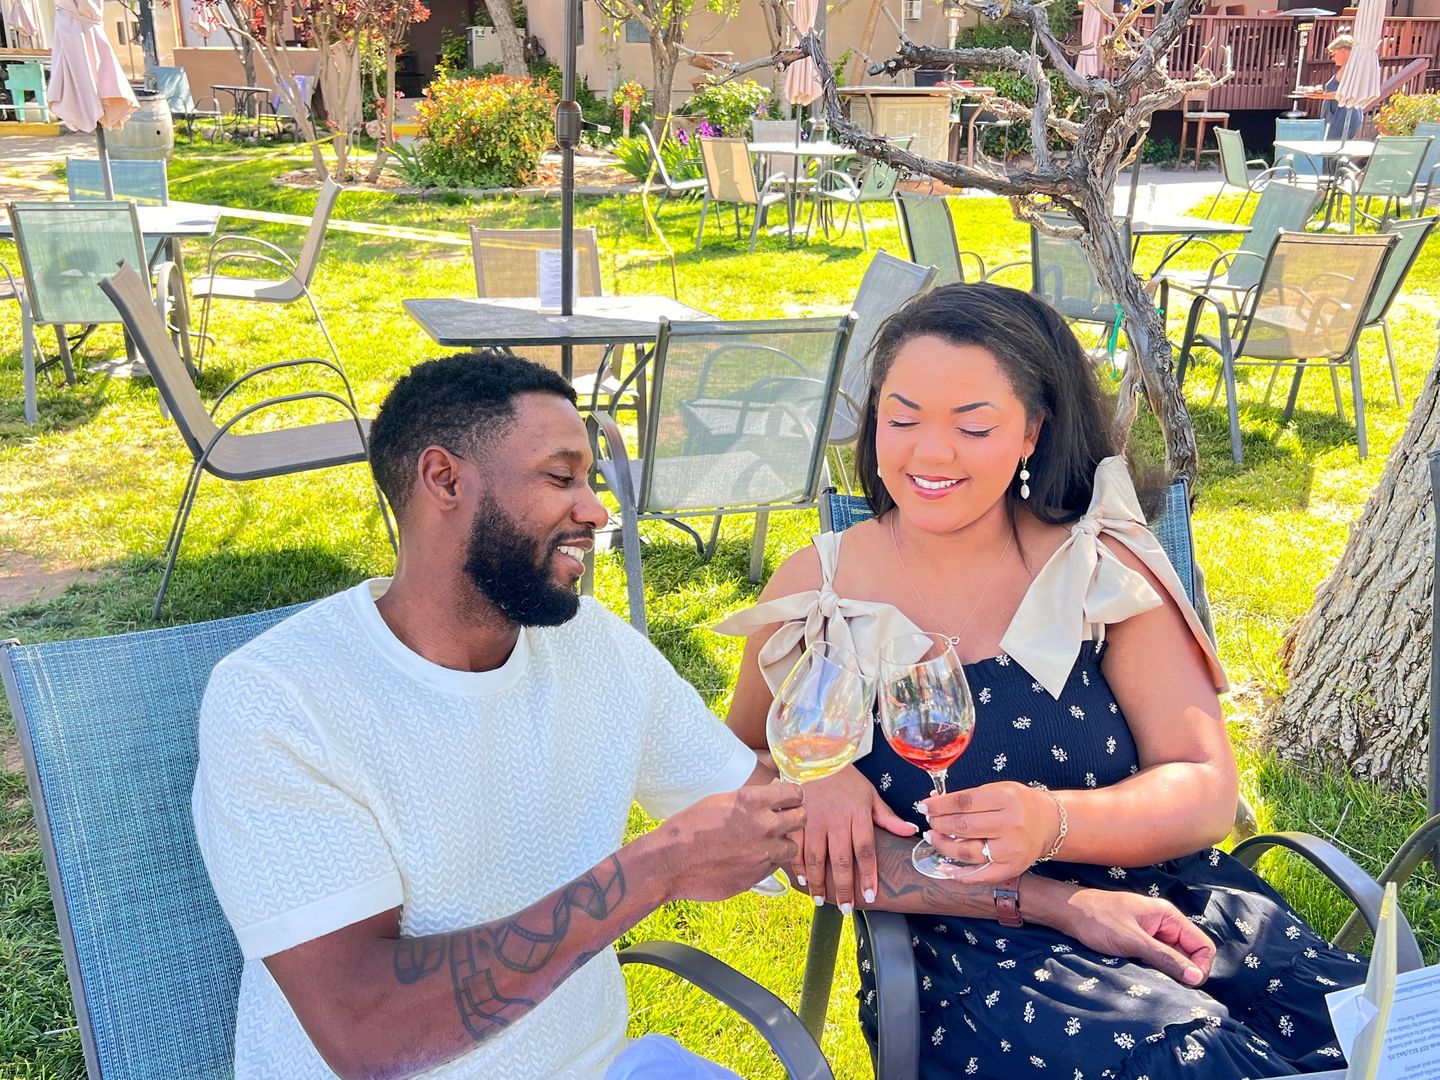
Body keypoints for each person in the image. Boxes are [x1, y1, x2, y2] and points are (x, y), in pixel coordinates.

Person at [720, 283, 1366, 1078]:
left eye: (974, 425)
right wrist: (810, 769)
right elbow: (731, 761)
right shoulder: (819, 594)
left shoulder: (1098, 568)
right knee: (1193, 1060)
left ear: (1033, 431)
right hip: (968, 949)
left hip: (1172, 902)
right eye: (903, 416)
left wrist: (1050, 821)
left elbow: (1203, 786)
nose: (929, 453)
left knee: (1375, 1032)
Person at [191, 352, 806, 1080]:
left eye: (593, 480)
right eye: (561, 476)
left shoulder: (593, 647)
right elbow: (368, 1032)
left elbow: (761, 811)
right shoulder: (280, 701)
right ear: (445, 480)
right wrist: (654, 870)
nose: (597, 510)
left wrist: (962, 867)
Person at [1308, 34, 1364, 140]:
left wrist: (1320, 96)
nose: (1333, 58)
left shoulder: (1351, 69)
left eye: (1333, 54)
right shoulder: (1347, 68)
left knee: (1333, 151)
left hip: (1343, 116)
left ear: (1343, 51)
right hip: (1337, 115)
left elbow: (1346, 94)